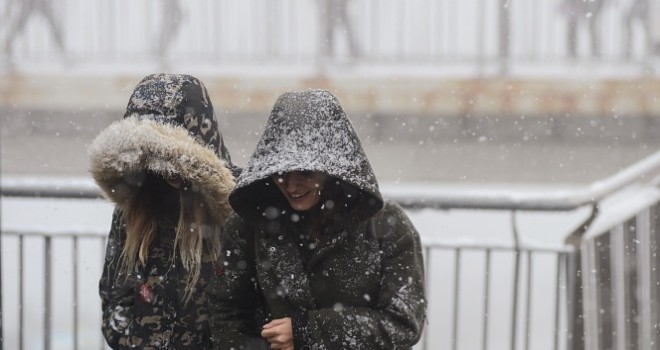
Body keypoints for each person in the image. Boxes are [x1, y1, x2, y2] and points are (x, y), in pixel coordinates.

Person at [207, 89, 426, 349]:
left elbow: (403, 323)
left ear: (333, 170)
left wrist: (307, 332)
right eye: (280, 173)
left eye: (305, 172)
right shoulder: (248, 225)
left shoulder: (387, 225)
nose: (291, 185)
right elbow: (226, 315)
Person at [89, 73, 237, 349]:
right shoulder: (135, 207)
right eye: (159, 159)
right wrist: (134, 340)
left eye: (176, 159)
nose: (170, 170)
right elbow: (114, 294)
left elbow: (251, 306)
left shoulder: (235, 207)